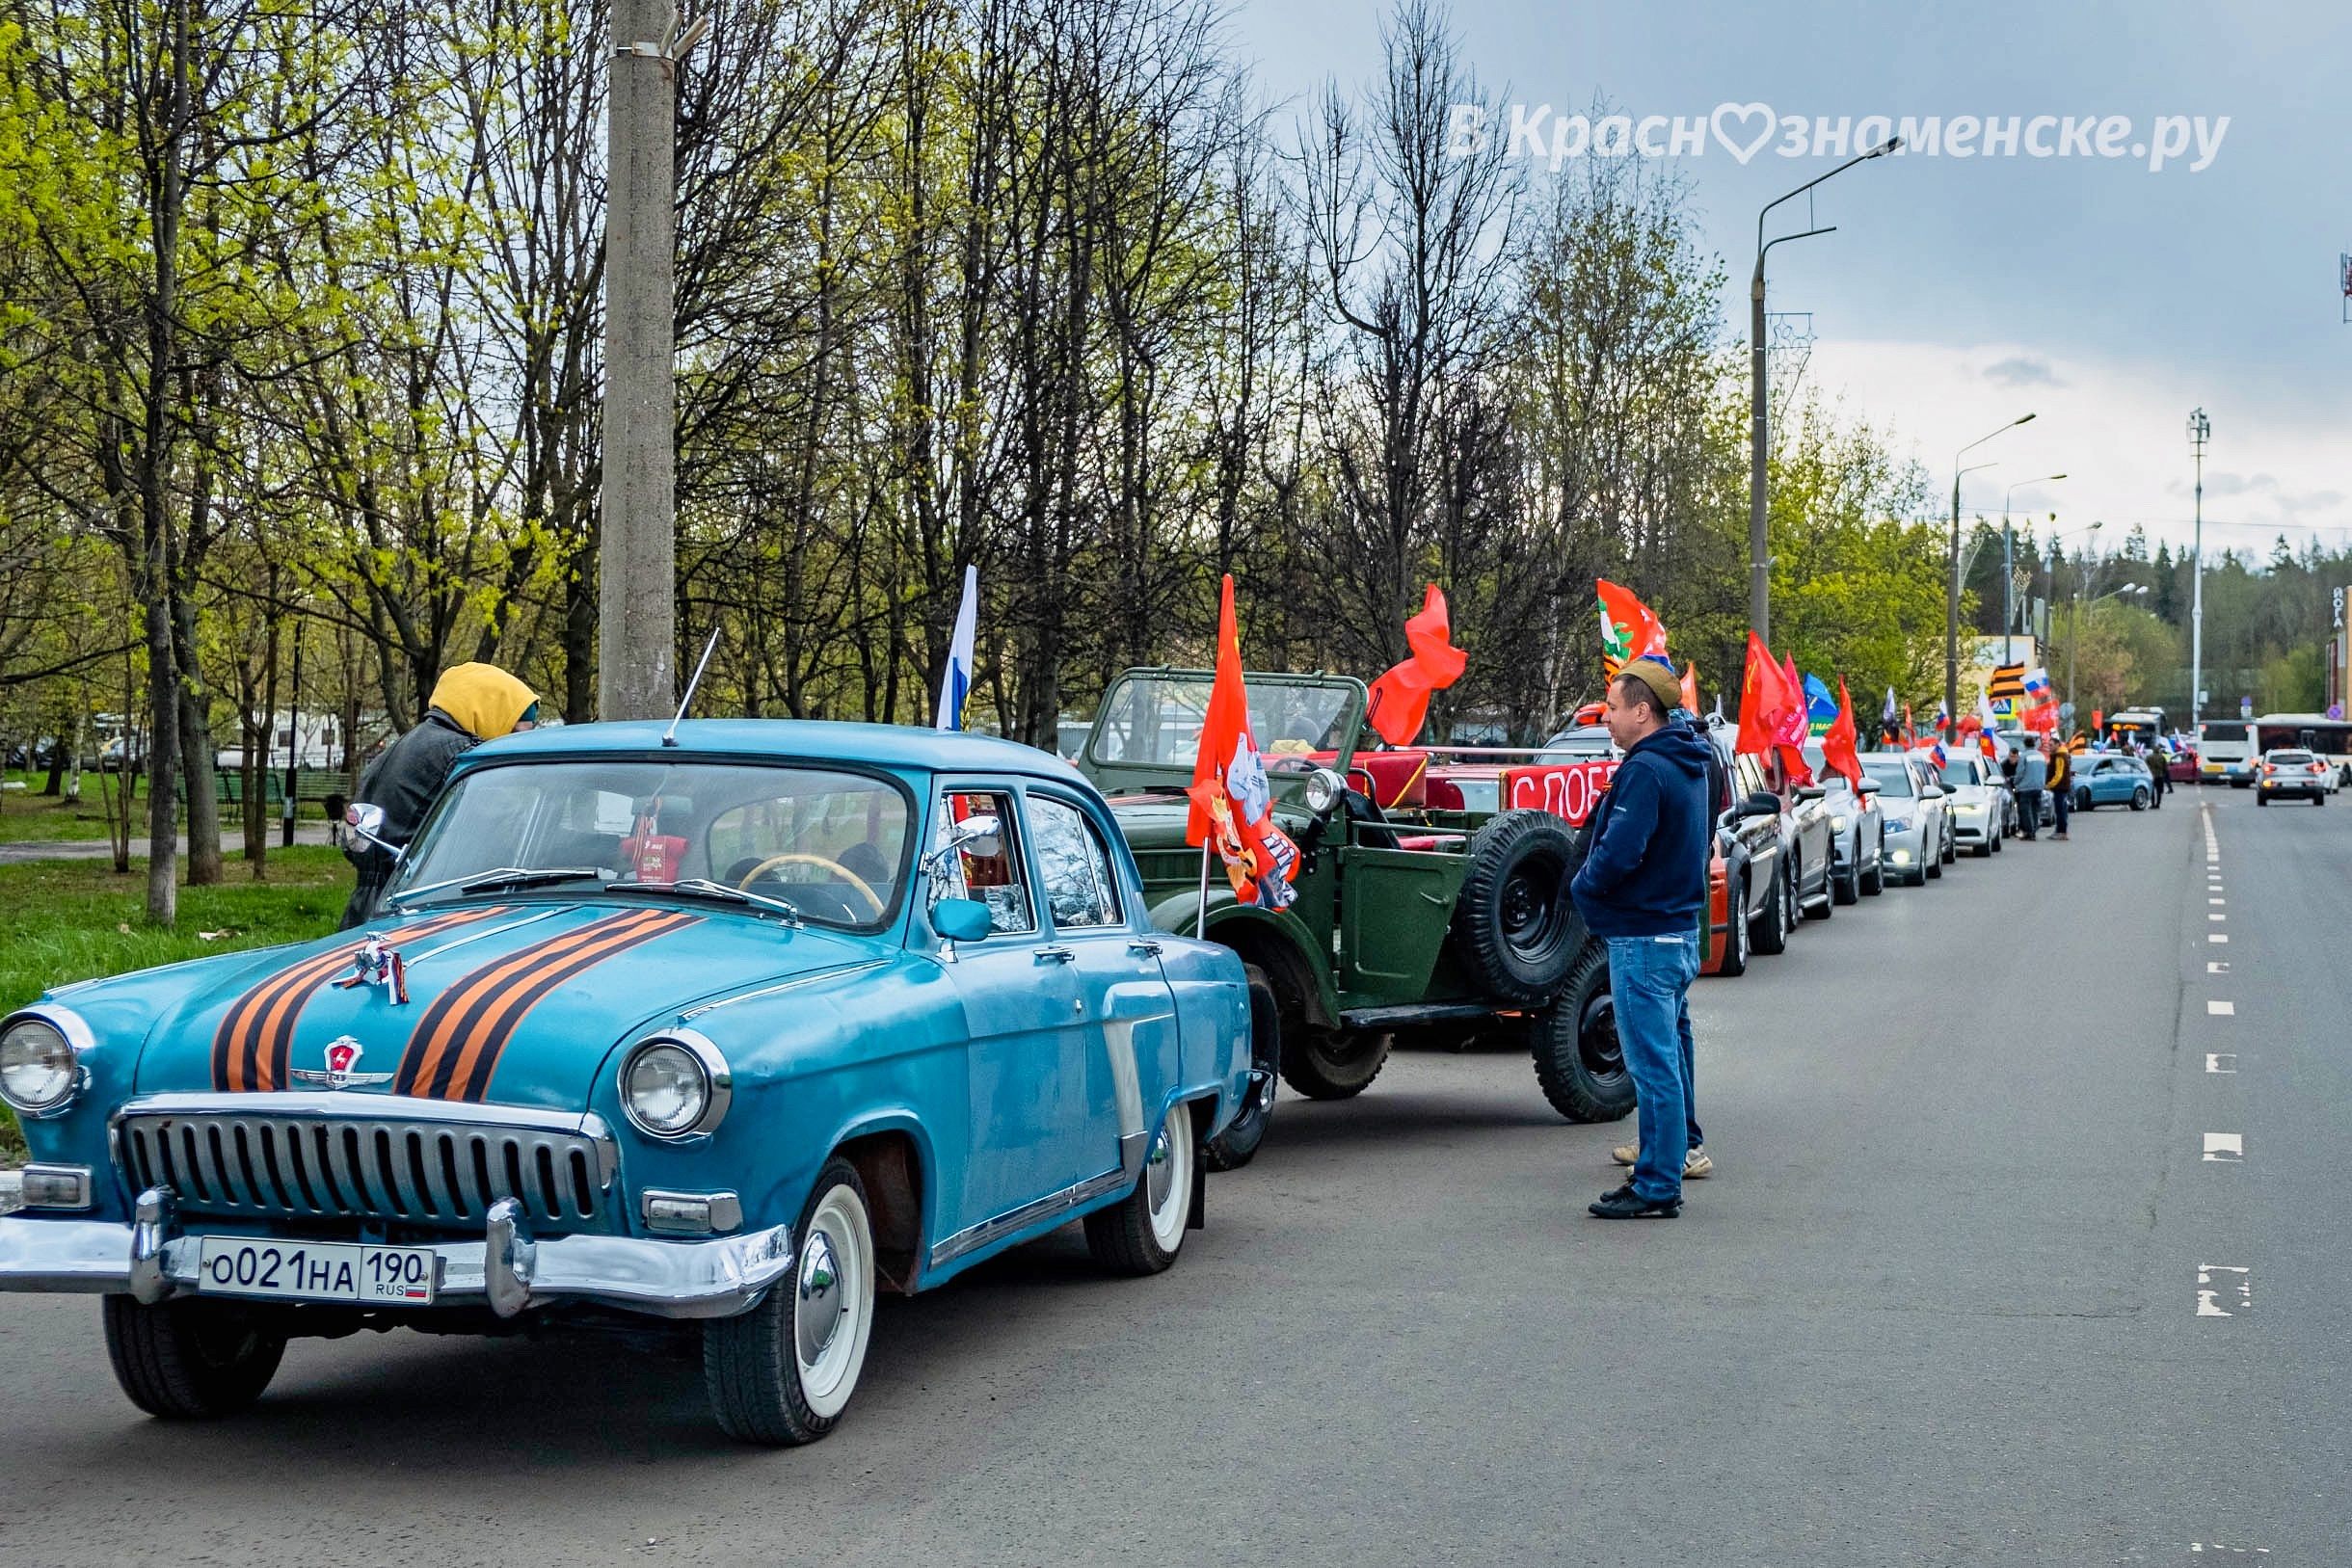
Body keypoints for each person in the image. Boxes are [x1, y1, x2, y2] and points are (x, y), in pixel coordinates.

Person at [1569, 658, 1711, 1220]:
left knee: (1653, 1068)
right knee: (1669, 1059)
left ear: (1642, 711)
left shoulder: (1646, 770)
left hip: (1644, 937)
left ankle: (1656, 1185)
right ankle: (1663, 1166)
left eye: (1612, 707)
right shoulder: (1690, 761)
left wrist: (1584, 886)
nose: (1606, 718)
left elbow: (1620, 851)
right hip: (1675, 932)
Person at [339, 663, 541, 928]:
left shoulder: (404, 744)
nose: (522, 744)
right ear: (494, 715)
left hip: (366, 905)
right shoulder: (464, 755)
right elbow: (505, 834)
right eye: (520, 732)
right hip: (418, 912)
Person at [2013, 736, 2048, 840]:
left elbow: (2020, 772)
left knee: (2025, 810)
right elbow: (2044, 771)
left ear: (2025, 744)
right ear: (2034, 744)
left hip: (2026, 787)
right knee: (2035, 810)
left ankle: (2029, 832)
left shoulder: (2024, 756)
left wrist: (2015, 782)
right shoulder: (2041, 756)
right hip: (2039, 786)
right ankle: (2034, 829)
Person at [2047, 736, 2072, 840]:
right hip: (2060, 787)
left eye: (2051, 745)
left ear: (2058, 745)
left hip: (2060, 787)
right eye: (2049, 745)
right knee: (2060, 810)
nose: (2049, 747)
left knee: (2060, 810)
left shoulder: (2060, 756)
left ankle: (2062, 832)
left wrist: (2050, 784)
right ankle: (2059, 830)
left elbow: (2059, 774)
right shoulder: (2058, 755)